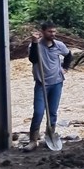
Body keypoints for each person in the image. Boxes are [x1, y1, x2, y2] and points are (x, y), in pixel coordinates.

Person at [26, 22, 72, 151]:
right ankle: (33, 140)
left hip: (57, 82)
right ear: (43, 31)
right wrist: (35, 43)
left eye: (54, 32)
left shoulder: (59, 45)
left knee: (52, 112)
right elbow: (33, 59)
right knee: (39, 112)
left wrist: (65, 68)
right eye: (50, 32)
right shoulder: (35, 46)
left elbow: (69, 55)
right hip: (42, 83)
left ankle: (49, 136)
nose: (52, 34)